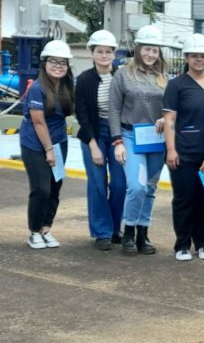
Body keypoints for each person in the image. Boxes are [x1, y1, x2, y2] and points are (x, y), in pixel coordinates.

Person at [109, 25, 168, 256]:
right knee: (136, 186)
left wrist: (165, 118)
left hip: (155, 139)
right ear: (138, 49)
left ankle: (144, 233)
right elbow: (113, 109)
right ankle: (129, 231)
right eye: (147, 49)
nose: (151, 54)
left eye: (155, 50)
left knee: (150, 188)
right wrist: (117, 141)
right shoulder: (123, 73)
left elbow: (170, 109)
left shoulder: (163, 77)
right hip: (130, 136)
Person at [163, 34, 204, 261]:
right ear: (187, 57)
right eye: (194, 56)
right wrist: (171, 150)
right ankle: (182, 244)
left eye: (203, 56)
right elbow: (170, 120)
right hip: (183, 152)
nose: (199, 60)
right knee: (184, 198)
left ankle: (203, 243)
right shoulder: (176, 85)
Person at [74, 30, 126, 251]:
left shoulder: (121, 76)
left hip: (117, 134)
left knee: (119, 184)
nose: (104, 55)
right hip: (92, 134)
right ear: (92, 54)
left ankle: (116, 228)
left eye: (108, 51)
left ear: (114, 54)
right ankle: (102, 232)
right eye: (99, 51)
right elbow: (82, 114)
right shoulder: (84, 79)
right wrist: (94, 145)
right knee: (97, 183)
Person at [20, 40, 74, 250]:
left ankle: (46, 228)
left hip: (59, 140)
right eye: (53, 61)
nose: (58, 66)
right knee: (41, 188)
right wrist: (49, 150)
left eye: (63, 62)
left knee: (54, 187)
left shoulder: (67, 86)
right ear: (44, 63)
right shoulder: (37, 87)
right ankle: (34, 231)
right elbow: (39, 121)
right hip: (35, 144)